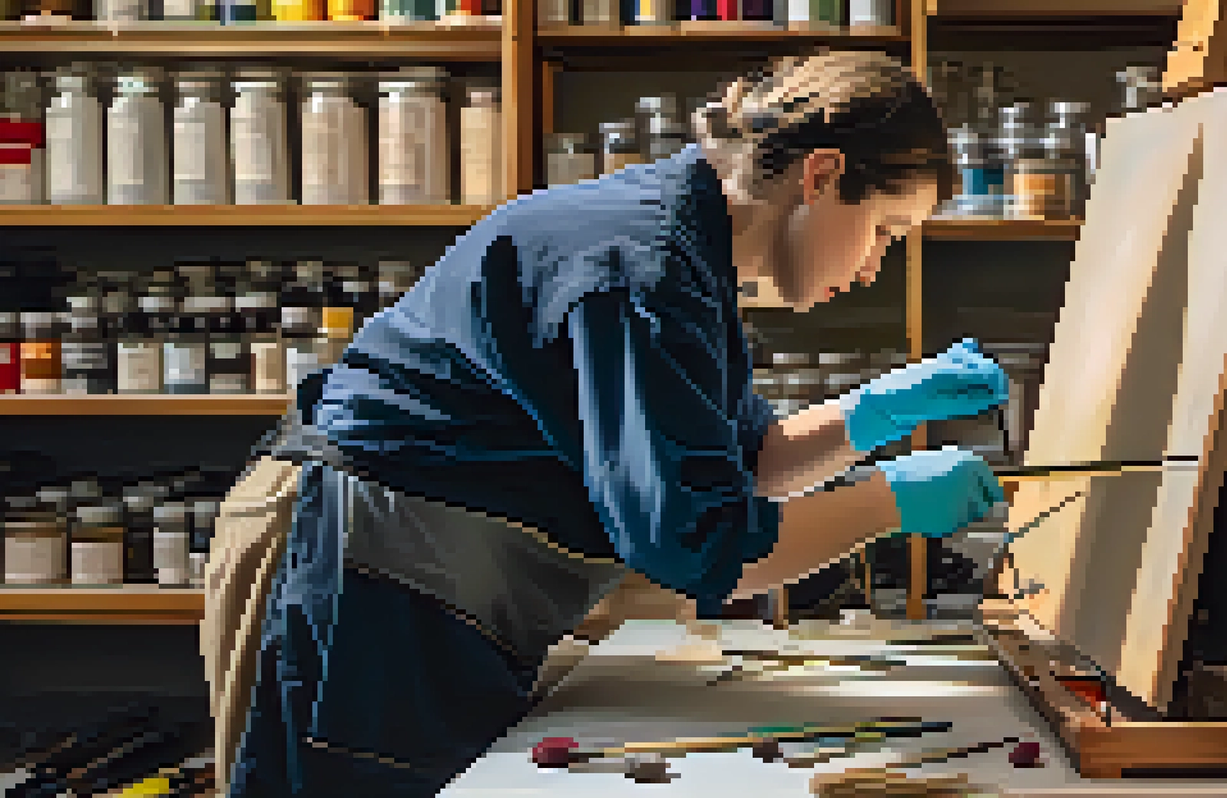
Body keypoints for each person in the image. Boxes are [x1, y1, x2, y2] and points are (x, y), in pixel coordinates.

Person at [201, 48, 1011, 798]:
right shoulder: (643, 264)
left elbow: (743, 462)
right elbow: (702, 550)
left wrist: (879, 411)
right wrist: (888, 503)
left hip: (413, 574)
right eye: (884, 233)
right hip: (360, 568)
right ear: (824, 176)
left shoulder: (690, 249)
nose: (874, 268)